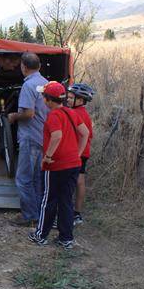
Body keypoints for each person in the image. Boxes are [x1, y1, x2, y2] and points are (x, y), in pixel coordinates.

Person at [28, 81, 89, 250]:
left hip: (55, 165)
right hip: (73, 165)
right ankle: (66, 238)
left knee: (48, 200)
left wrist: (47, 157)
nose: (42, 98)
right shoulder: (71, 112)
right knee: (65, 201)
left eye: (43, 96)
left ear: (48, 100)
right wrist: (77, 153)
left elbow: (56, 136)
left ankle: (40, 235)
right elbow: (85, 133)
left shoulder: (53, 115)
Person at [7, 53, 49, 227]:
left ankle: (28, 215)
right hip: (43, 136)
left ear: (23, 67)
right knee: (38, 178)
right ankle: (39, 214)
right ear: (39, 66)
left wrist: (14, 116)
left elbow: (29, 113)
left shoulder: (28, 86)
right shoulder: (46, 84)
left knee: (23, 178)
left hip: (30, 136)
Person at [67, 83, 95, 225]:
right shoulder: (83, 113)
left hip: (78, 151)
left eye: (71, 98)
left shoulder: (76, 114)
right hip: (84, 151)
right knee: (80, 181)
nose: (68, 99)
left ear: (80, 100)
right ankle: (77, 213)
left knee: (75, 182)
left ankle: (71, 213)